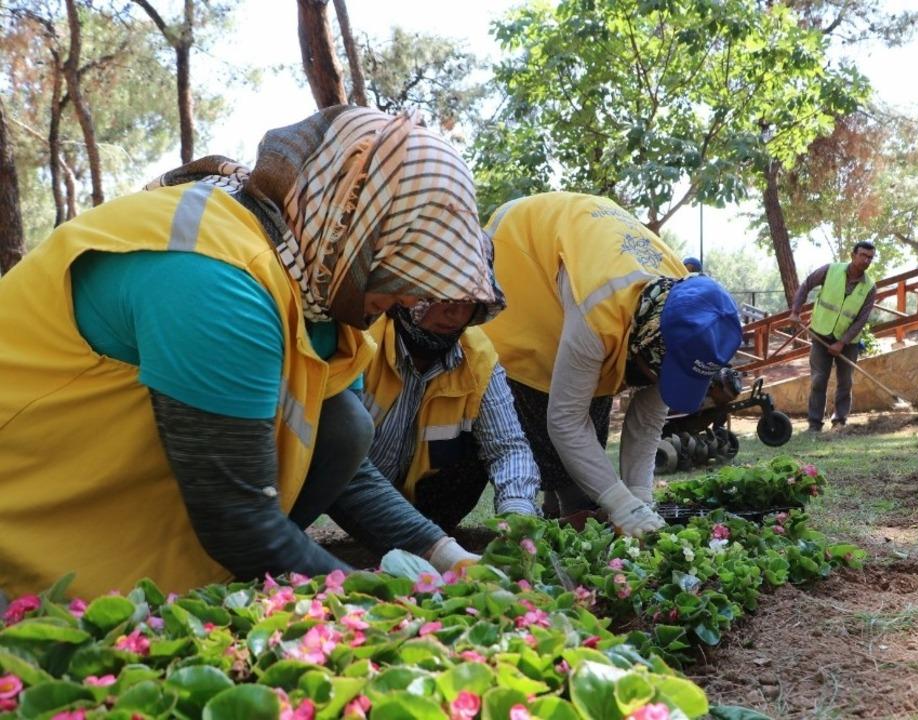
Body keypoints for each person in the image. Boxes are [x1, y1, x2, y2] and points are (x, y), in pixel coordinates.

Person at [0, 106, 503, 599]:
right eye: (409, 267)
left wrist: (447, 556)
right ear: (361, 229)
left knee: (346, 423)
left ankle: (198, 585)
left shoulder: (318, 297)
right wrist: (373, 612)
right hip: (26, 522)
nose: (417, 299)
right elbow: (237, 520)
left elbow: (349, 470)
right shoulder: (217, 279)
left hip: (138, 499)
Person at [481, 192, 744, 536]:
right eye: (660, 374)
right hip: (517, 260)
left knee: (593, 440)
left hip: (578, 276)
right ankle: (559, 513)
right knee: (546, 413)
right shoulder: (600, 309)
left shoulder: (677, 314)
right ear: (646, 345)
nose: (660, 386)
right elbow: (565, 421)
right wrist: (620, 505)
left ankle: (572, 513)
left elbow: (648, 420)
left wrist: (639, 499)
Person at [358, 301, 541, 543]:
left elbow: (508, 449)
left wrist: (517, 514)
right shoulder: (363, 339)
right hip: (354, 495)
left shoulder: (478, 356)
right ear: (407, 295)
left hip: (425, 505)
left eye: (468, 303)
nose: (455, 313)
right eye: (441, 298)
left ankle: (429, 532)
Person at [788, 241, 877, 432]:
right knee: (819, 379)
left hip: (849, 342)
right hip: (821, 334)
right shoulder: (830, 270)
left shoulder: (870, 288)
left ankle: (840, 421)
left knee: (846, 382)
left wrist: (841, 342)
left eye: (870, 257)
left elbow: (861, 320)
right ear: (853, 255)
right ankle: (814, 424)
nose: (866, 260)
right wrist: (796, 311)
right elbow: (806, 285)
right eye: (862, 255)